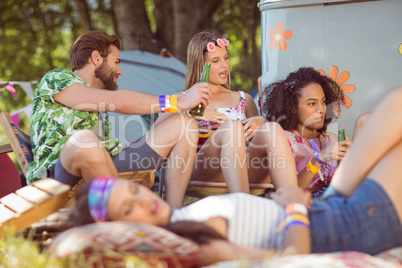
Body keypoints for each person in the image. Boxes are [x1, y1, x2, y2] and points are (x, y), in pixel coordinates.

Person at [70, 86, 402, 265]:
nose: (142, 200)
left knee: (393, 106)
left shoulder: (183, 221)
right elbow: (291, 261)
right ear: (124, 230)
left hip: (329, 204)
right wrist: (295, 210)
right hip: (341, 226)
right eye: (129, 210)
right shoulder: (193, 246)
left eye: (133, 193)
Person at [26, 30, 212, 210]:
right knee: (85, 141)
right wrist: (176, 101)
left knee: (185, 123)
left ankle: (173, 215)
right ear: (96, 58)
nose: (120, 71)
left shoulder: (99, 104)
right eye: (116, 62)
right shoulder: (56, 79)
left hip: (108, 168)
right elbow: (120, 102)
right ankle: (123, 219)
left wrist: (180, 105)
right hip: (62, 176)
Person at [155, 29, 298, 193]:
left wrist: (262, 122)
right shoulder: (181, 99)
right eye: (215, 61)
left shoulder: (243, 99)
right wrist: (190, 112)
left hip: (242, 168)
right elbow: (155, 137)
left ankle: (292, 204)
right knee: (232, 128)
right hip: (201, 169)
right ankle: (243, 206)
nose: (224, 65)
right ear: (200, 65)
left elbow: (257, 140)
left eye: (226, 58)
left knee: (272, 128)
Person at [262, 67, 355, 197]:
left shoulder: (334, 140)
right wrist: (320, 157)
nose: (321, 109)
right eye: (312, 104)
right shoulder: (284, 141)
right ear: (292, 107)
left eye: (323, 102)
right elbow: (290, 193)